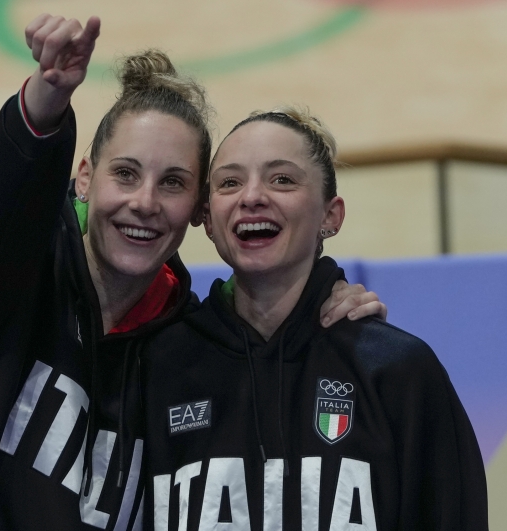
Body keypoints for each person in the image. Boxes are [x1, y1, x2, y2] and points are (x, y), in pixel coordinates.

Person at [0, 14, 386, 531]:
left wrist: (326, 307)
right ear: (86, 177)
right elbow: (1, 201)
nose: (144, 203)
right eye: (126, 173)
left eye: (173, 183)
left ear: (199, 209)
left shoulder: (189, 351)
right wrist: (45, 102)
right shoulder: (13, 274)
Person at [141, 107, 489, 530]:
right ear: (208, 219)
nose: (251, 196)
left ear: (331, 215)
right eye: (230, 182)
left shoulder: (399, 372)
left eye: (282, 179)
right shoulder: (158, 366)